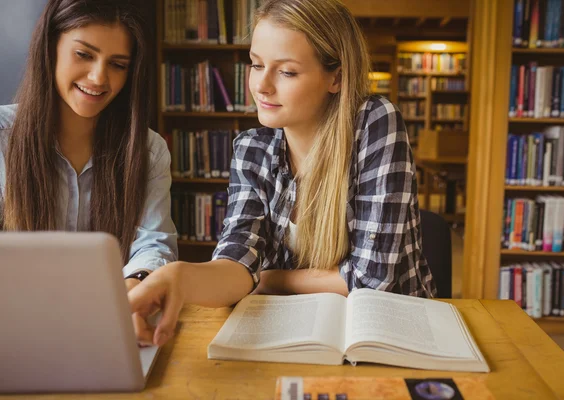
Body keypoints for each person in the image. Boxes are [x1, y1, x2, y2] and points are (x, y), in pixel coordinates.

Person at [129, 0, 436, 348]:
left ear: (336, 77)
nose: (262, 86)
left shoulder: (375, 122)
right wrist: (179, 276)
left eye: (286, 72)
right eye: (256, 65)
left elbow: (372, 278)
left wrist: (268, 279)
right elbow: (235, 261)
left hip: (389, 334)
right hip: (301, 332)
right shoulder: (251, 149)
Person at [0, 0, 178, 324]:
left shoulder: (148, 150)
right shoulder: (2, 139)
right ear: (49, 47)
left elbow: (154, 242)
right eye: (84, 55)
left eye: (118, 64)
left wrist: (134, 289)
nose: (98, 77)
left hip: (108, 319)